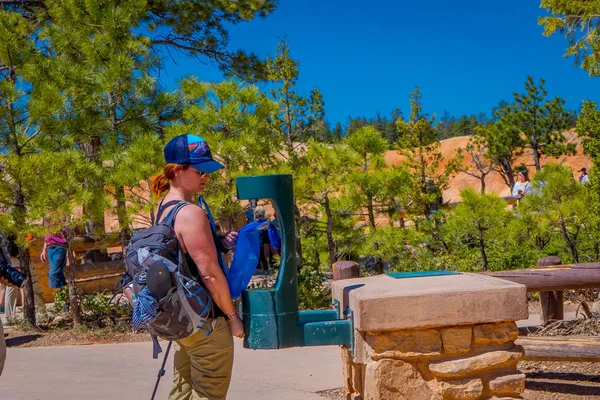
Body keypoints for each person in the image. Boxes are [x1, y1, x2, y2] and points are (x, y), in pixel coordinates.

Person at [150, 134, 243, 400]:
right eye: (200, 170)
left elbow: (183, 257)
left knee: (182, 391)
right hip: (207, 325)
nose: (206, 177)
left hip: (184, 322)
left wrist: (220, 243)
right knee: (207, 394)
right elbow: (210, 274)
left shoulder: (164, 208)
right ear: (177, 171)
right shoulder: (191, 213)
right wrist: (233, 319)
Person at [40, 223, 68, 290]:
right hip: (50, 248)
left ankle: (58, 297)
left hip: (60, 247)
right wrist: (44, 250)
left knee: (53, 274)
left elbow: (67, 230)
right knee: (58, 273)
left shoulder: (60, 215)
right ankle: (65, 296)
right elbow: (46, 235)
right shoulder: (46, 218)